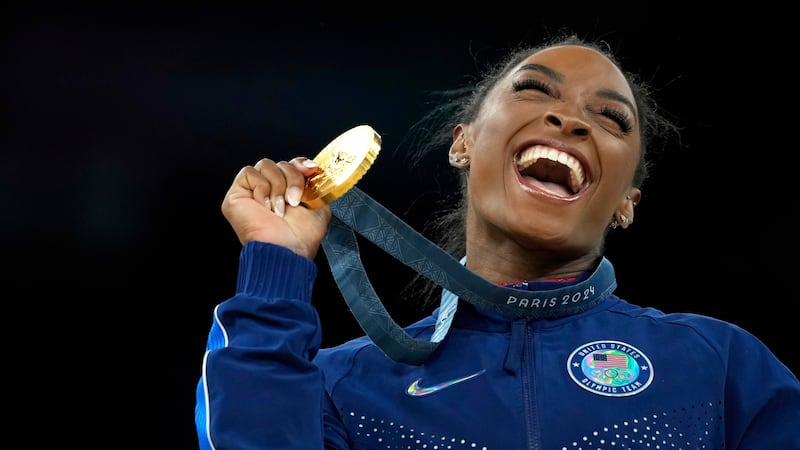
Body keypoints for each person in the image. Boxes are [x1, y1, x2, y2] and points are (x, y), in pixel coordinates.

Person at [195, 33, 800, 449]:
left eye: (612, 119)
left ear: (626, 204)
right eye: (534, 90)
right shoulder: (343, 386)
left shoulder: (723, 368)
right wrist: (276, 267)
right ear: (463, 144)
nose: (569, 120)